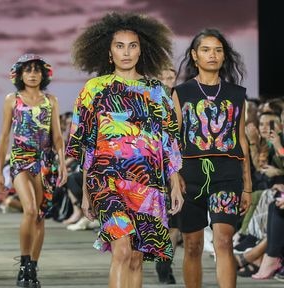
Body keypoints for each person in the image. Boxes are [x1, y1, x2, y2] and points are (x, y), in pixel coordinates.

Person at [67, 12, 184, 288]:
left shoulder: (156, 91)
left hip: (149, 183)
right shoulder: (94, 89)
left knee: (135, 256)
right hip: (106, 181)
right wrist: (85, 191)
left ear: (142, 49)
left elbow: (169, 140)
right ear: (108, 51)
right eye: (119, 45)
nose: (126, 52)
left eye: (132, 45)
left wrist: (175, 182)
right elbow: (87, 144)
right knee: (121, 250)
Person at [172, 28, 252, 288]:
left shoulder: (237, 94)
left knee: (224, 240)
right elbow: (172, 140)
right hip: (190, 174)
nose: (212, 55)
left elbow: (242, 141)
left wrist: (247, 185)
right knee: (193, 246)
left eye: (218, 50)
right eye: (205, 50)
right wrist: (174, 177)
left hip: (227, 173)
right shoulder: (181, 93)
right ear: (195, 56)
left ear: (224, 56)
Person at [0, 53, 68, 288]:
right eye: (27, 70)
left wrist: (63, 165)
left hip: (46, 162)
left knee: (39, 216)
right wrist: (0, 171)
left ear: (44, 74)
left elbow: (57, 137)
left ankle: (32, 268)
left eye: (37, 70)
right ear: (19, 75)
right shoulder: (12, 99)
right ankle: (25, 262)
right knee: (29, 210)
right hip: (20, 160)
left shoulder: (51, 101)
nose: (32, 74)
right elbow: (4, 136)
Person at [154, 65, 180, 284]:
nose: (166, 79)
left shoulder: (182, 101)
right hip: (153, 168)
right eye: (162, 76)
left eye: (170, 76)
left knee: (176, 222)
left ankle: (165, 263)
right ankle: (161, 258)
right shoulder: (148, 101)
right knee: (161, 219)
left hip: (180, 166)